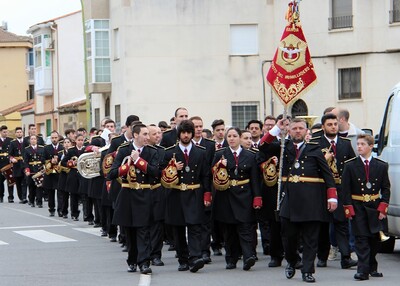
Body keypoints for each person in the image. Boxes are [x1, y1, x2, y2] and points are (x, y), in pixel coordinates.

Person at [259, 118, 337, 283]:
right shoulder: (283, 148)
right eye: (294, 128)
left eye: (301, 128)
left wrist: (332, 196)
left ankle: (307, 271)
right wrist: (276, 129)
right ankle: (292, 260)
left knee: (310, 239)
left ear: (306, 131)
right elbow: (262, 146)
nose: (297, 131)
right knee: (289, 237)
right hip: (290, 200)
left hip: (312, 201)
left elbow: (327, 175)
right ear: (289, 131)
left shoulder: (315, 150)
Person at [109, 123, 160, 275]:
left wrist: (138, 161)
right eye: (144, 134)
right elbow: (111, 173)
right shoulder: (124, 149)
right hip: (127, 194)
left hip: (144, 194)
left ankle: (144, 262)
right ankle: (132, 260)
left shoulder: (151, 151)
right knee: (129, 230)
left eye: (148, 134)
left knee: (143, 229)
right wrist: (126, 166)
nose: (147, 137)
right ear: (135, 135)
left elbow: (155, 172)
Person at [161, 120, 211, 273]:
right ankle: (183, 259)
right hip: (176, 194)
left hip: (194, 193)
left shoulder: (201, 152)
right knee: (178, 228)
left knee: (195, 226)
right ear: (179, 134)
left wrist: (207, 194)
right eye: (183, 132)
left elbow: (205, 175)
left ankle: (195, 257)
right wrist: (172, 168)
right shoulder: (170, 152)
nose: (186, 135)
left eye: (188, 132)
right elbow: (161, 174)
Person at [212, 127, 262, 271]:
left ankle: (248, 257)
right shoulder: (221, 154)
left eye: (234, 136)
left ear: (240, 138)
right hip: (226, 195)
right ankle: (231, 259)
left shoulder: (250, 155)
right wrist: (219, 166)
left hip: (244, 195)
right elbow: (212, 174)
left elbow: (254, 178)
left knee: (245, 227)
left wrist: (257, 197)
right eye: (229, 136)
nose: (232, 139)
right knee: (229, 230)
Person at [342, 134, 391, 281]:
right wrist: (348, 208)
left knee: (374, 240)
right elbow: (345, 189)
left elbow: (386, 188)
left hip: (374, 207)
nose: (359, 147)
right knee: (361, 239)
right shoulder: (350, 165)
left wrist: (383, 208)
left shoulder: (381, 165)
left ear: (370, 146)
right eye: (358, 144)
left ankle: (372, 267)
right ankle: (362, 270)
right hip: (358, 206)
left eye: (363, 144)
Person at [312, 113, 357, 269]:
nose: (333, 127)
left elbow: (352, 166)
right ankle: (322, 256)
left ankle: (345, 257)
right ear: (323, 126)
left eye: (335, 124)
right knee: (323, 224)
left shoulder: (345, 143)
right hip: (322, 188)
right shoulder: (316, 143)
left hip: (341, 188)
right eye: (329, 124)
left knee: (341, 224)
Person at [190, 116, 216, 263]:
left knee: (205, 221)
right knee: (194, 222)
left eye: (200, 126)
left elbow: (211, 168)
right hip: (191, 188)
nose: (199, 129)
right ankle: (195, 251)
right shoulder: (185, 144)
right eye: (195, 126)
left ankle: (205, 251)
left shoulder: (210, 145)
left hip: (205, 186)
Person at [42, 131, 63, 216]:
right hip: (50, 173)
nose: (54, 139)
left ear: (58, 138)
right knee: (50, 193)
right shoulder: (46, 148)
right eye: (52, 138)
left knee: (60, 193)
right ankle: (51, 209)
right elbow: (42, 159)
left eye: (55, 138)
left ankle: (60, 209)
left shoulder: (62, 147)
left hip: (59, 173)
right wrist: (51, 161)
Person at [23, 135, 45, 208]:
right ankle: (32, 201)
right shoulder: (27, 149)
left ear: (37, 140)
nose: (33, 140)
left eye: (34, 139)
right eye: (31, 139)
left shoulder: (42, 148)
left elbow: (43, 160)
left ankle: (39, 202)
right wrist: (27, 170)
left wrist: (43, 168)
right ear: (30, 140)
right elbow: (25, 161)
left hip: (39, 169)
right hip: (31, 170)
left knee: (39, 186)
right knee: (31, 187)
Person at [9, 127, 27, 203]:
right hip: (16, 165)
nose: (19, 133)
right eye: (18, 132)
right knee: (18, 182)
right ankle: (20, 197)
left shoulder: (26, 142)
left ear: (22, 133)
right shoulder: (12, 143)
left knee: (25, 181)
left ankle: (24, 197)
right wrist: (12, 158)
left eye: (20, 132)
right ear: (15, 134)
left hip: (24, 164)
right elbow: (10, 154)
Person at [0, 125, 15, 203]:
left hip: (8, 163)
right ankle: (1, 196)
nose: (5, 133)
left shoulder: (11, 141)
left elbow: (12, 152)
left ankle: (11, 196)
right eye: (4, 132)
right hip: (0, 163)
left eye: (6, 132)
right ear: (1, 132)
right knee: (0, 182)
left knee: (10, 181)